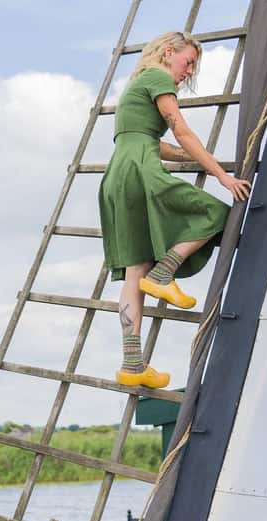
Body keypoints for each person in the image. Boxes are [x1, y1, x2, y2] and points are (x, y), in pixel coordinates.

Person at [99, 31, 252, 389]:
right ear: (169, 52)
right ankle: (164, 273)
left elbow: (153, 142)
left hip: (118, 177)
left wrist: (194, 157)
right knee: (215, 214)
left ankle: (132, 364)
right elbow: (181, 131)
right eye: (188, 62)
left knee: (135, 270)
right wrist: (221, 175)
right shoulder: (158, 78)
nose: (188, 72)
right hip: (140, 171)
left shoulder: (136, 85)